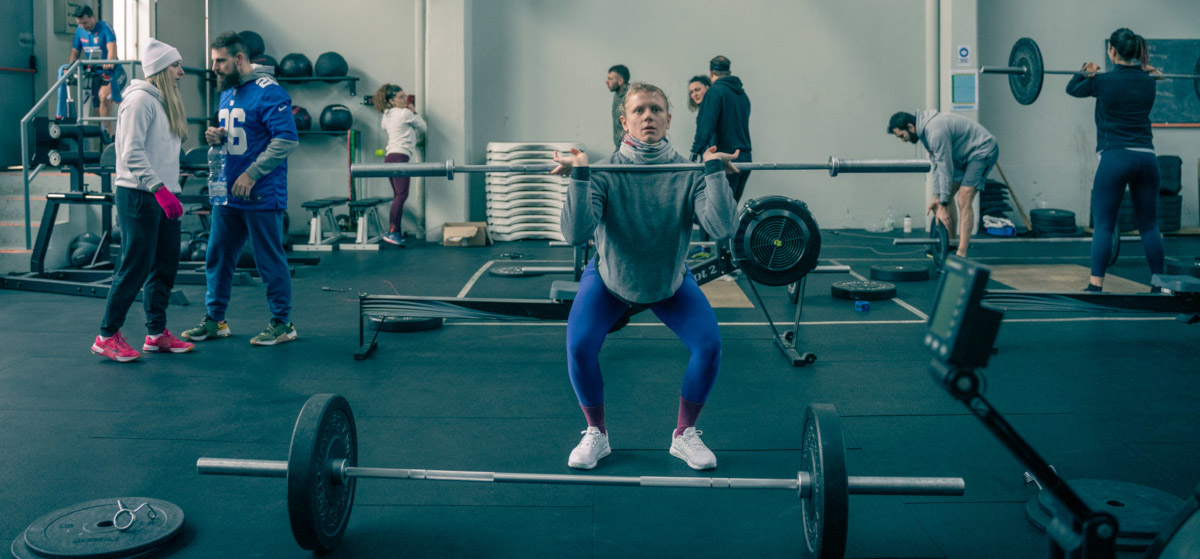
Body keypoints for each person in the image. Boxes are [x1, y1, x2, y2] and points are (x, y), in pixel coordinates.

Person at [552, 82, 739, 471]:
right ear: (625, 122)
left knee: (710, 347)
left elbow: (721, 228)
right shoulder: (602, 172)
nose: (648, 116)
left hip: (668, 280)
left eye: (656, 109)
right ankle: (595, 434)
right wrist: (580, 176)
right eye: (639, 111)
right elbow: (574, 234)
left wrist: (714, 173)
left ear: (669, 119)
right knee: (579, 348)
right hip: (610, 279)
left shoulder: (689, 173)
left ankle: (684, 435)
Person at [182, 32, 299, 346]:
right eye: (214, 61)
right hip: (228, 192)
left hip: (260, 191)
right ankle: (215, 320)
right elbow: (240, 134)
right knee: (217, 257)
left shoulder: (270, 92)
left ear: (240, 58)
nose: (215, 67)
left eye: (220, 61)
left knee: (268, 260)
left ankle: (282, 323)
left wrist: (252, 173)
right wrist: (216, 136)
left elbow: (286, 140)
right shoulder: (228, 90)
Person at [91, 39, 191, 362]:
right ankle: (107, 335)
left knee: (165, 265)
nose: (182, 71)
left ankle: (156, 333)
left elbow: (161, 151)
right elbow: (131, 152)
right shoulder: (138, 101)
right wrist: (159, 189)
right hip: (139, 194)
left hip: (163, 194)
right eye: (176, 65)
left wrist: (172, 186)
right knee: (135, 265)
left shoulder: (165, 102)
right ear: (162, 69)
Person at [1066, 29, 1164, 291]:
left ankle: (1095, 286)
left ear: (1112, 51)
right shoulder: (1149, 81)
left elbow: (1072, 89)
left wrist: (1085, 70)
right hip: (1147, 159)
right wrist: (1148, 70)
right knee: (1150, 226)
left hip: (1115, 158)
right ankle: (1160, 284)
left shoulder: (1103, 80)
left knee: (1104, 225)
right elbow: (1150, 74)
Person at [887, 110, 998, 258]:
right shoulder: (925, 133)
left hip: (981, 151)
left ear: (910, 127)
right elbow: (937, 165)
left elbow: (945, 168)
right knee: (945, 197)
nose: (903, 140)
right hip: (962, 155)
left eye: (902, 136)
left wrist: (943, 204)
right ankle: (950, 244)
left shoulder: (935, 131)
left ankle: (961, 254)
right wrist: (936, 196)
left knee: (963, 199)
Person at [690, 56, 752, 202]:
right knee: (729, 212)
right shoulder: (743, 96)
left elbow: (705, 127)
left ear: (711, 73)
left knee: (715, 213)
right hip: (746, 159)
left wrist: (694, 152)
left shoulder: (714, 92)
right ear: (729, 72)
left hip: (725, 160)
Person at [371, 84, 427, 246]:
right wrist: (413, 110)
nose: (404, 99)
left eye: (405, 96)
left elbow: (384, 127)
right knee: (401, 195)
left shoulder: (387, 114)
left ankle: (395, 231)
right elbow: (424, 127)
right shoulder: (405, 113)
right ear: (391, 100)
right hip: (400, 157)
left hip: (390, 157)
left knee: (399, 195)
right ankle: (393, 231)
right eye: (401, 97)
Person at [57, 5, 126, 128]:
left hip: (114, 73)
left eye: (85, 23)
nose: (83, 26)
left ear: (92, 16)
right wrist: (72, 68)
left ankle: (107, 134)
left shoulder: (105, 28)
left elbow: (112, 49)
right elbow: (75, 53)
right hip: (95, 74)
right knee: (97, 112)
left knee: (103, 96)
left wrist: (109, 62)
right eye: (80, 23)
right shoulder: (79, 30)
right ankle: (107, 138)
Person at [606, 64, 630, 149]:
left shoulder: (632, 95)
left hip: (630, 148)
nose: (606, 81)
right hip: (619, 147)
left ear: (620, 81)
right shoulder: (616, 95)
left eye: (610, 79)